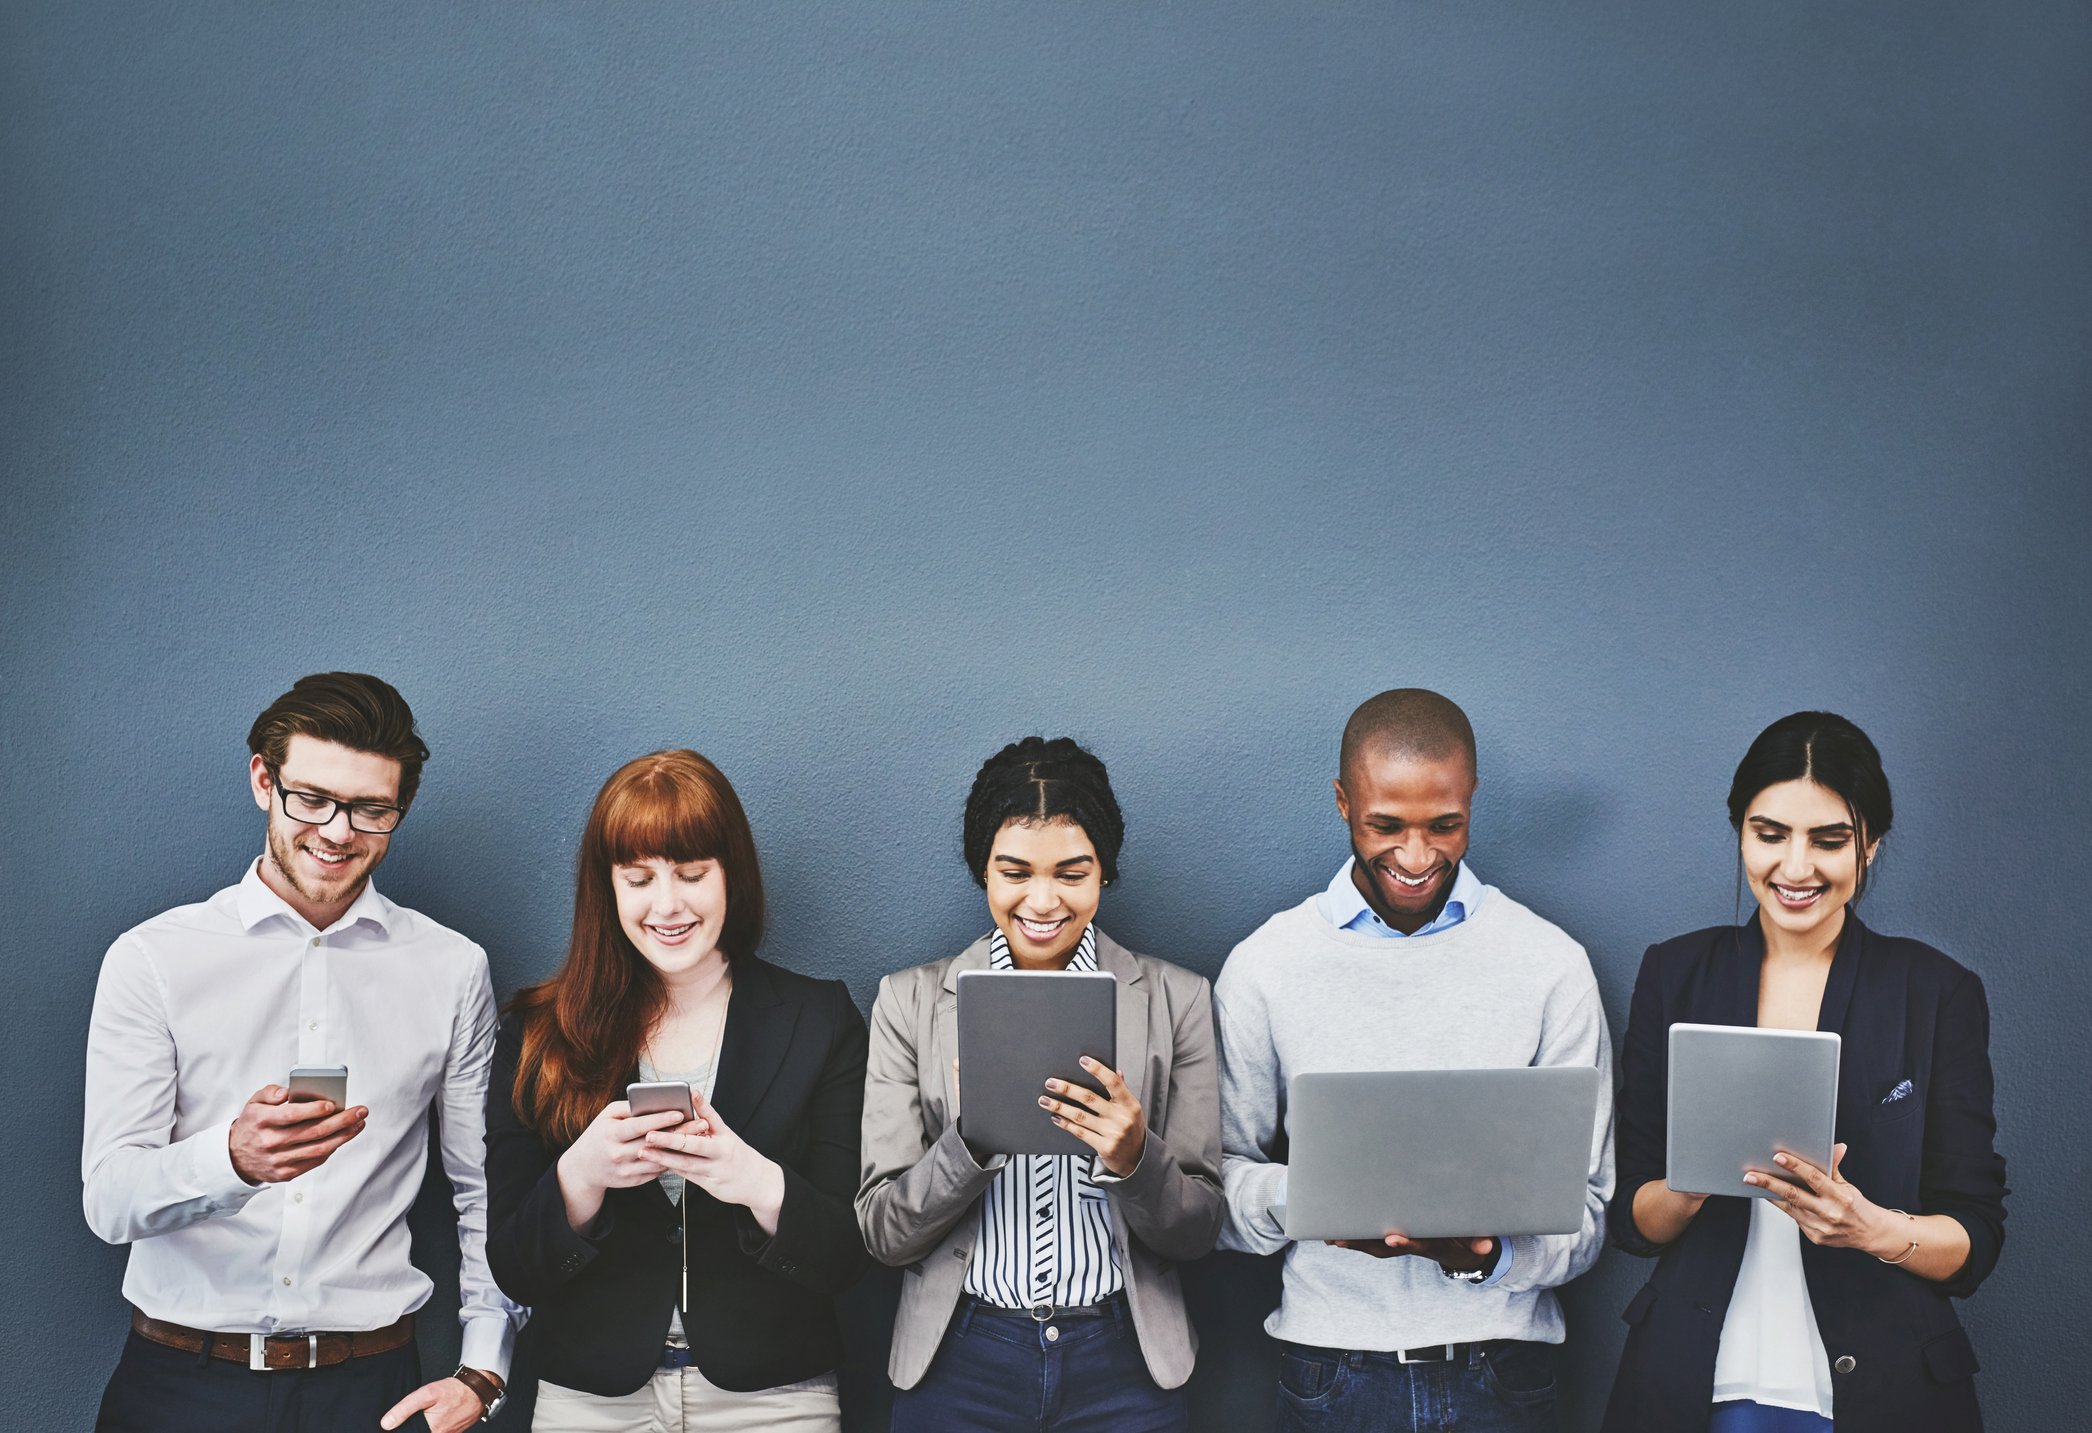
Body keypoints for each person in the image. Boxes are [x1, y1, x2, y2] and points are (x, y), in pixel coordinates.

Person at [82, 672, 520, 1433]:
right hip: (178, 1387)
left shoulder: (452, 969)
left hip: (371, 1391)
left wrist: (485, 1367)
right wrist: (232, 1158)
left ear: (400, 809)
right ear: (264, 779)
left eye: (370, 809)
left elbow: (482, 1187)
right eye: (311, 798)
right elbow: (109, 1198)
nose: (337, 830)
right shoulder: (152, 957)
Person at [1215, 688, 1614, 1432]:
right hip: (1331, 1371)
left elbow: (1587, 1215)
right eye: (1386, 825)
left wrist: (1484, 1254)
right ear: (1342, 801)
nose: (1416, 856)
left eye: (1445, 825)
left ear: (1472, 801)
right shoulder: (1266, 965)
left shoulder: (1551, 965)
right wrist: (1318, 1198)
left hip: (1504, 1374)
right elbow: (1218, 1190)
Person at [1602, 712, 2008, 1433]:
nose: (1796, 868)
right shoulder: (1675, 973)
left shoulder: (1936, 991)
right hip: (1694, 1381)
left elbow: (1976, 1236)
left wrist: (1872, 1227)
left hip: (1881, 1392)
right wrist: (1690, 1179)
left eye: (1829, 840)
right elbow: (1634, 1216)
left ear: (1871, 846)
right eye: (1770, 834)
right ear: (1741, 833)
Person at [484, 749, 868, 1431]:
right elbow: (514, 1266)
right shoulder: (538, 1032)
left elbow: (847, 1255)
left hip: (776, 1400)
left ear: (732, 876)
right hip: (589, 1399)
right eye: (639, 878)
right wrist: (582, 1175)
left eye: (692, 873)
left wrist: (753, 1178)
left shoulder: (819, 1018)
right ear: (607, 888)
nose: (668, 904)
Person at [856, 736, 1223, 1432]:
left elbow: (1200, 1227)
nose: (1043, 899)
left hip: (1125, 1361)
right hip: (961, 1359)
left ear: (1104, 873)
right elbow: (882, 1230)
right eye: (1015, 871)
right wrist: (966, 1143)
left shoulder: (1178, 999)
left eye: (1073, 872)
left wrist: (1134, 1159)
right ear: (983, 870)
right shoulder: (908, 1002)